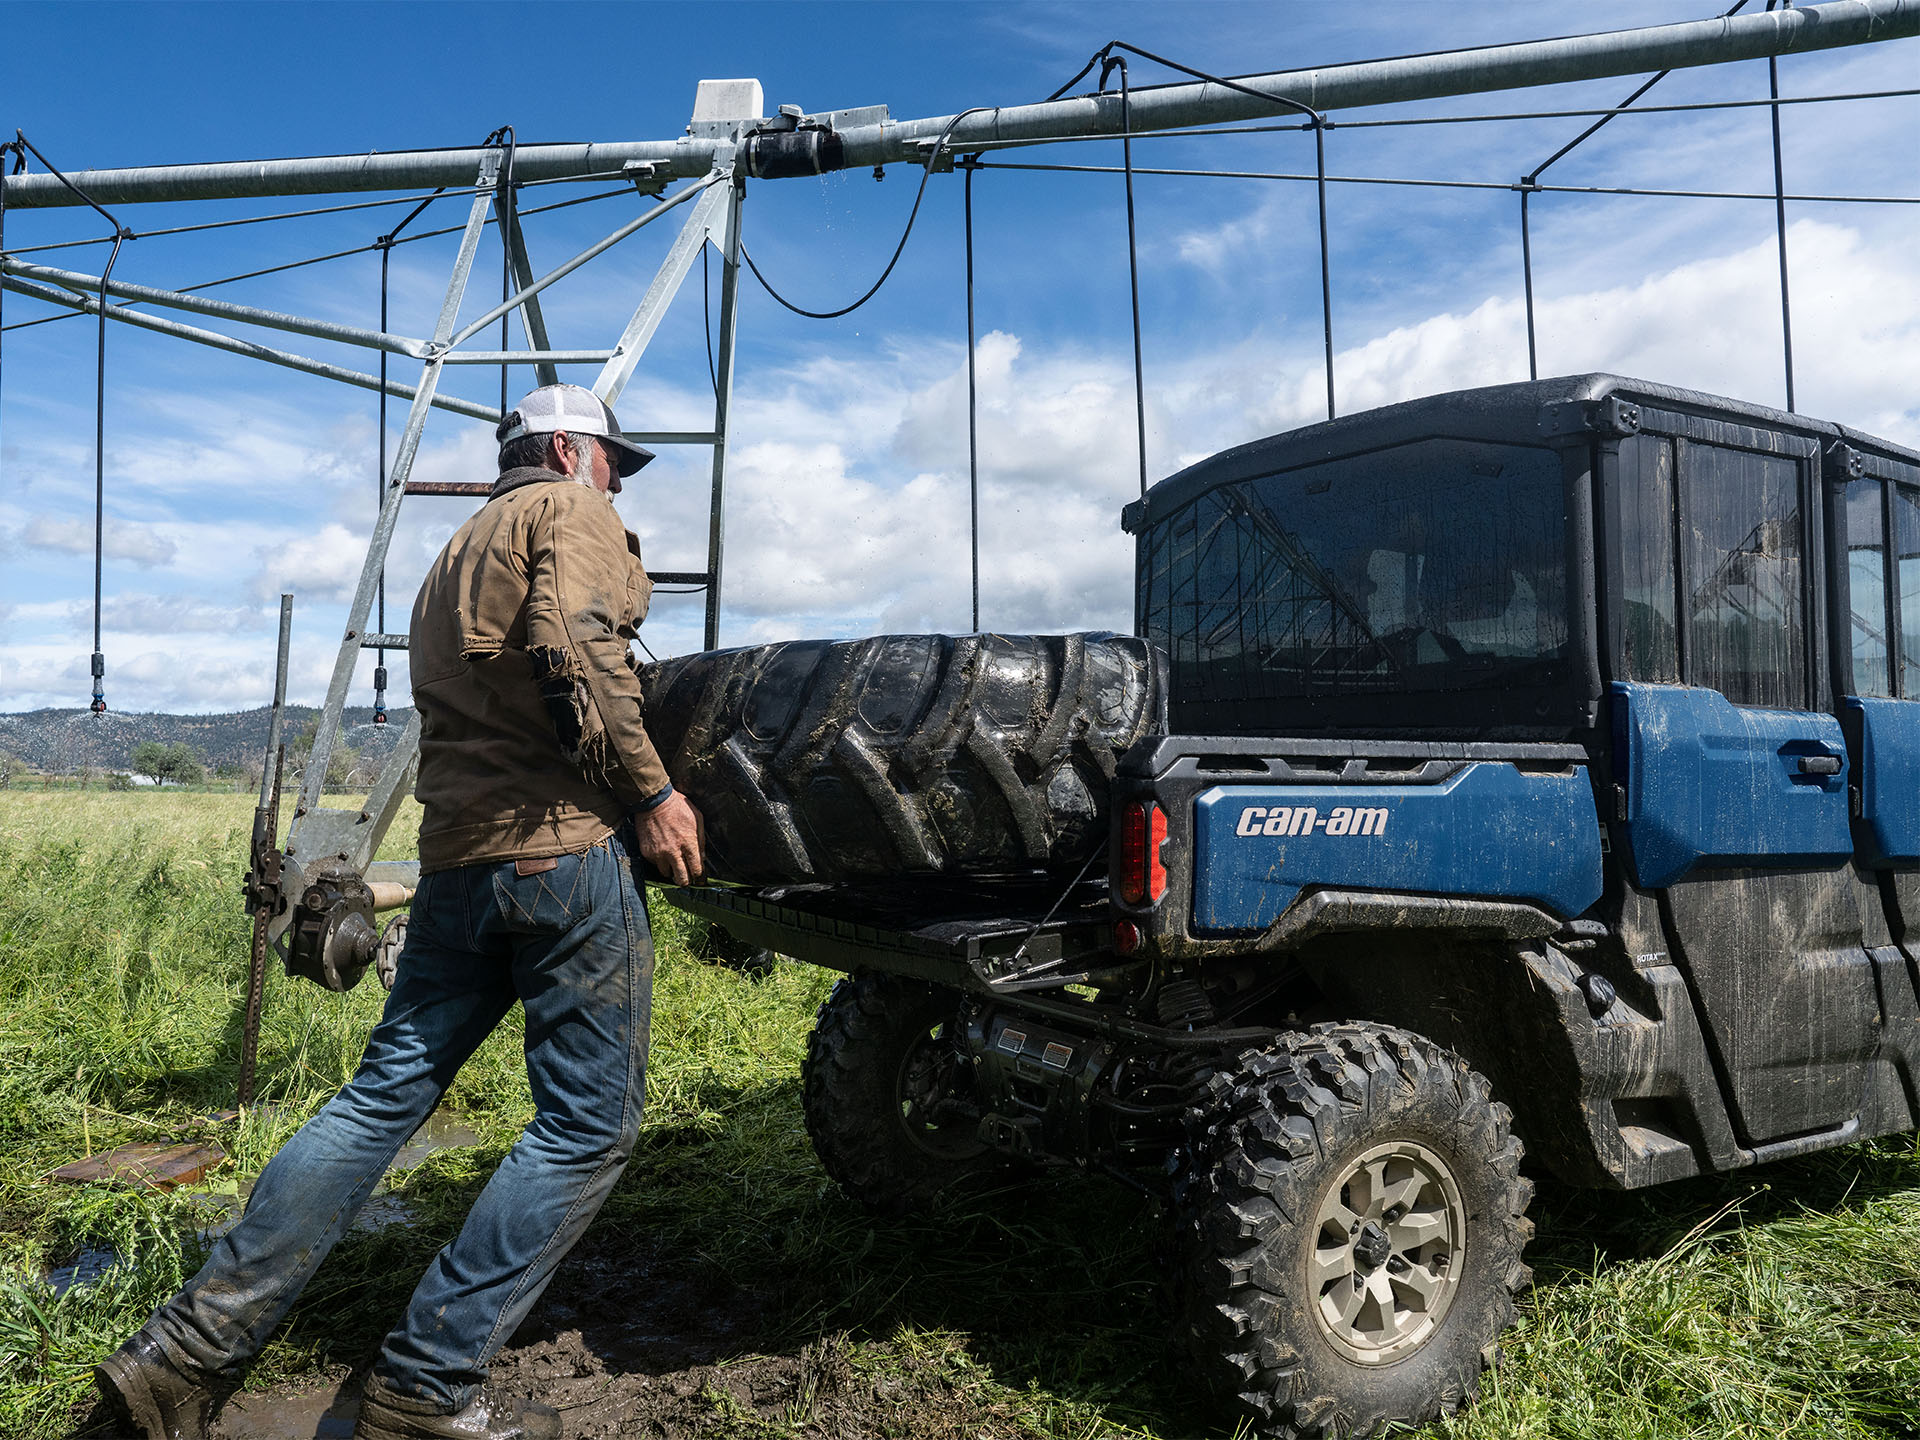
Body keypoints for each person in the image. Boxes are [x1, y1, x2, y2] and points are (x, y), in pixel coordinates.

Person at [96, 383, 705, 1440]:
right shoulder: (571, 511)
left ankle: (185, 1356)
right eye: (614, 461)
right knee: (586, 1123)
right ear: (569, 449)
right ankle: (427, 1382)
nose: (617, 480)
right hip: (560, 852)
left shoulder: (455, 550)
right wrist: (652, 794)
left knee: (383, 1097)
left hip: (460, 862)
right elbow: (578, 638)